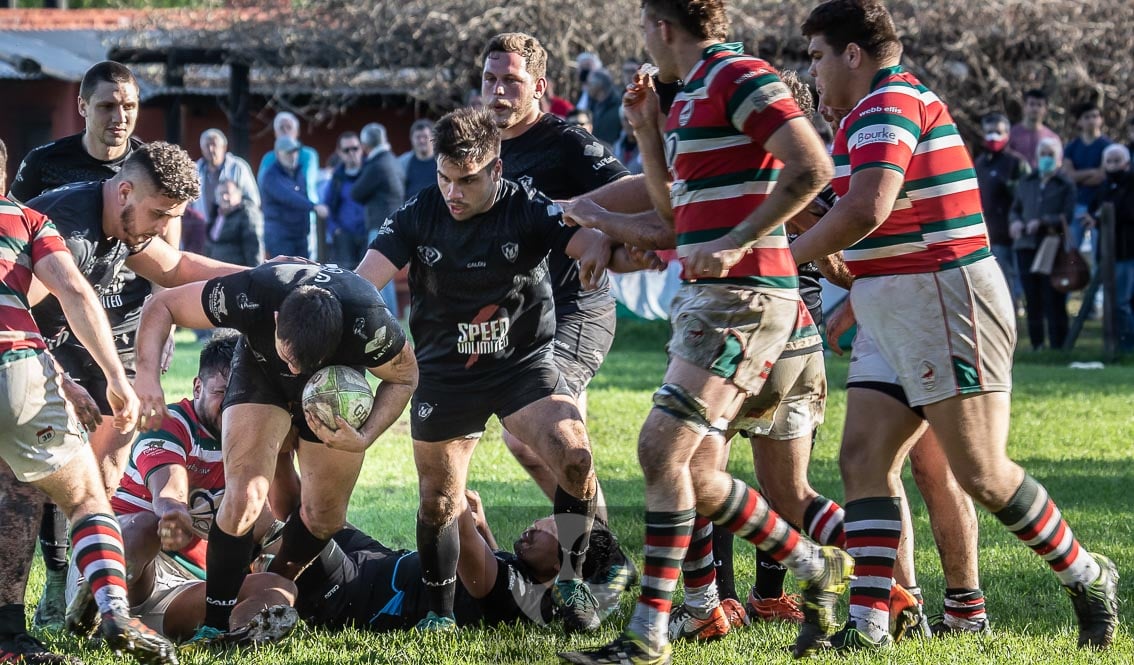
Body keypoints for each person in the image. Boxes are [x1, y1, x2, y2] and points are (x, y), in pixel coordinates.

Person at [793, 0, 1116, 650]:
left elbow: (868, 207)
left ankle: (1087, 573)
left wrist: (775, 253)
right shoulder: (858, 117)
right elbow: (843, 216)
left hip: (945, 295)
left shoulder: (891, 101)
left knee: (980, 472)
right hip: (895, 302)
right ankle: (869, 627)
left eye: (817, 57)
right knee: (862, 459)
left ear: (852, 54)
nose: (814, 74)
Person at [559, 1, 846, 662]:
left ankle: (649, 635)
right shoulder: (688, 99)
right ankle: (809, 565)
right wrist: (646, 134)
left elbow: (813, 167)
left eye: (641, 28)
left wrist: (738, 240)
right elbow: (672, 217)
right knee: (700, 474)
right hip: (708, 299)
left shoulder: (738, 74)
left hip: (742, 298)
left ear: (662, 26)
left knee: (661, 447)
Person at [355, 107, 658, 635]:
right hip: (445, 375)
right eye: (445, 178)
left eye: (467, 180)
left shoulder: (528, 206)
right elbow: (364, 281)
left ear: (497, 170)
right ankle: (439, 615)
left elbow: (584, 240)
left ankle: (570, 580)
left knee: (576, 458)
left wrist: (604, 252)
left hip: (521, 367)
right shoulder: (416, 214)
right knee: (440, 499)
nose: (453, 191)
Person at [130, 261, 417, 642]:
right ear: (277, 319)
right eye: (291, 357)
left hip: (333, 388)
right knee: (245, 496)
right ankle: (215, 621)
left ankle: (278, 579)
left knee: (325, 516)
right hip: (261, 375)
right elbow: (162, 305)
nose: (296, 370)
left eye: (305, 363)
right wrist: (147, 377)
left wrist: (365, 436)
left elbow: (406, 376)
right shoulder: (252, 293)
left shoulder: (370, 321)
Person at [5, 62, 173, 633]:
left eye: (128, 105)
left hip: (114, 335)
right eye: (107, 105)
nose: (119, 116)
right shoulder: (45, 173)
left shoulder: (149, 165)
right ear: (83, 107)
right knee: (44, 480)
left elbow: (166, 259)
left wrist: (158, 337)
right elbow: (20, 253)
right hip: (44, 334)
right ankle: (69, 591)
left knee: (93, 475)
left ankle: (78, 594)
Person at [478, 30, 629, 534]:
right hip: (522, 316)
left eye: (512, 82)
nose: (498, 91)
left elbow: (631, 190)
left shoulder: (565, 142)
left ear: (539, 86)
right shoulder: (482, 148)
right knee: (534, 441)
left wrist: (603, 232)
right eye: (490, 79)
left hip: (576, 305)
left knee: (540, 433)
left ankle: (599, 556)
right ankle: (599, 548)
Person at [95, 332, 298, 645]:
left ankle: (233, 635)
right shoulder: (170, 422)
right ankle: (101, 615)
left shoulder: (250, 442)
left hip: (183, 589)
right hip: (128, 568)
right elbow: (169, 490)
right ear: (197, 387)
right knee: (146, 525)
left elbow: (270, 529)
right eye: (222, 392)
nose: (232, 404)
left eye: (241, 394)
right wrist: (173, 512)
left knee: (279, 588)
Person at [295, 491, 627, 632]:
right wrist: (483, 525)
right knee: (307, 504)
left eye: (547, 533)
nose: (535, 526)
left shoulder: (514, 593)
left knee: (280, 526)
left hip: (356, 593)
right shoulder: (534, 587)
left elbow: (473, 553)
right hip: (377, 561)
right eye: (545, 518)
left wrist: (450, 458)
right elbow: (493, 565)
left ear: (560, 567)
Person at [1010, 137, 1077, 351]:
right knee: (1032, 296)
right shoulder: (1026, 181)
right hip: (1026, 245)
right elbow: (1015, 208)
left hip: (1051, 246)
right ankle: (1037, 343)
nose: (1046, 158)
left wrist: (1043, 221)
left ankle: (1059, 345)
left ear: (1059, 158)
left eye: (1051, 154)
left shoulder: (1065, 184)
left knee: (1053, 296)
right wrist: (1015, 223)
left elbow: (1067, 215)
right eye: (1043, 154)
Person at [975, 112, 1030, 309]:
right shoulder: (980, 164)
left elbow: (1027, 196)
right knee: (1001, 279)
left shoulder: (1017, 162)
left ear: (1007, 134)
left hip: (1016, 231)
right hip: (992, 233)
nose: (993, 137)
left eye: (998, 132)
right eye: (989, 132)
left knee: (1020, 278)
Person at [1089, 144, 1134, 351]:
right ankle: (1114, 345)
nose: (1114, 165)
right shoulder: (1104, 187)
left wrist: (1100, 217)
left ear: (1127, 163)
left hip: (1126, 251)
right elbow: (1093, 210)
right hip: (1107, 252)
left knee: (1123, 303)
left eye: (1117, 161)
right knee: (1112, 303)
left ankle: (1127, 347)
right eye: (1109, 161)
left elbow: (1124, 212)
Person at [259, 136, 329, 259]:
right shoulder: (271, 176)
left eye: (295, 152)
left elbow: (302, 195)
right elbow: (289, 197)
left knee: (304, 274)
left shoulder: (299, 172)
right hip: (280, 237)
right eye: (288, 153)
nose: (293, 156)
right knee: (284, 275)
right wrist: (314, 206)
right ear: (278, 154)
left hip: (300, 236)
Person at [1064, 102, 1113, 252]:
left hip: (1098, 205)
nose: (1091, 120)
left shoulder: (1108, 146)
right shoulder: (1072, 147)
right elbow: (1069, 176)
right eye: (1087, 117)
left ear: (1101, 119)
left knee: (1099, 251)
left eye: (1095, 116)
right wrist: (1092, 172)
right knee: (1071, 253)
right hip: (1076, 204)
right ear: (1079, 121)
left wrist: (1080, 176)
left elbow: (1102, 176)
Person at [193, 128, 260, 231]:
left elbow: (253, 200)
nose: (211, 149)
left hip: (234, 230)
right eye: (207, 146)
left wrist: (232, 207)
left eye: (214, 145)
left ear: (224, 148)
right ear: (202, 149)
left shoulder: (238, 167)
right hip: (203, 231)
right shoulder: (195, 170)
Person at [322, 132, 369, 269]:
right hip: (345, 238)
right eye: (346, 150)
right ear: (339, 152)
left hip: (369, 236)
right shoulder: (336, 177)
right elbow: (327, 206)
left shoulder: (371, 171)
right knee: (347, 281)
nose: (351, 153)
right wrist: (334, 230)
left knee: (371, 280)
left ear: (361, 148)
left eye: (355, 148)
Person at [205, 178, 263, 267]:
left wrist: (256, 273)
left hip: (237, 273)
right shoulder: (216, 214)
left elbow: (254, 248)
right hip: (216, 271)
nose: (224, 197)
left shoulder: (247, 214)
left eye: (227, 193)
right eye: (221, 194)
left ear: (238, 195)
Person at [1008, 89, 1060, 170]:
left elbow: (1058, 165)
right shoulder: (1011, 134)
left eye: (1039, 105)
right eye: (1031, 104)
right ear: (1024, 107)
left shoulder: (1052, 138)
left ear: (1045, 109)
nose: (1035, 108)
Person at [398, 119, 437, 201]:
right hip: (411, 210)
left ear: (433, 138)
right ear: (411, 139)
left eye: (425, 137)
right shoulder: (403, 163)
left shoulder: (442, 161)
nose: (422, 140)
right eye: (418, 137)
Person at [584, 69, 622, 146]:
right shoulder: (592, 104)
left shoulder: (619, 107)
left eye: (589, 84)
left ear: (599, 85)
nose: (587, 87)